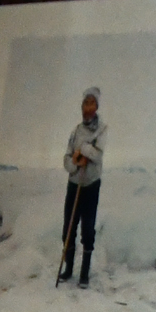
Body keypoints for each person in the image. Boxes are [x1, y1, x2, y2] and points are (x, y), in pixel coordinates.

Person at [59, 86, 106, 288]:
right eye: (85, 103)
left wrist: (85, 150)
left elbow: (98, 155)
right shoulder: (76, 131)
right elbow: (67, 158)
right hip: (74, 184)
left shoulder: (102, 129)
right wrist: (75, 163)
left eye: (92, 103)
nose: (88, 107)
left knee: (87, 229)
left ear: (96, 106)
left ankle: (84, 274)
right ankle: (68, 268)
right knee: (68, 228)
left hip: (91, 185)